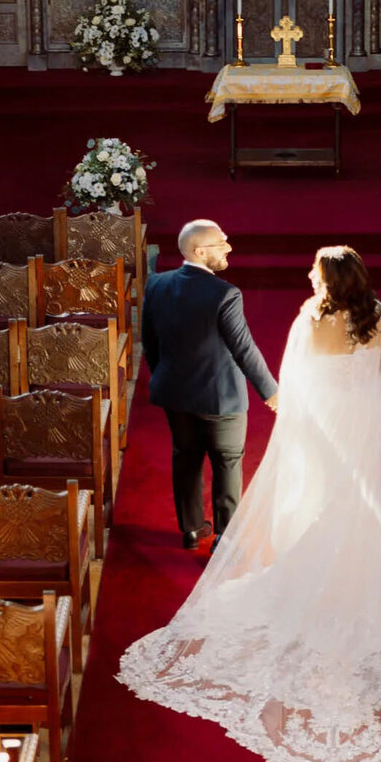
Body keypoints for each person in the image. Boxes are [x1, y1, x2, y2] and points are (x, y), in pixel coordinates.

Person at [120, 246, 381, 762]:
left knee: (323, 510)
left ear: (328, 281)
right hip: (367, 430)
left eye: (313, 270)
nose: (307, 274)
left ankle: (315, 583)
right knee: (368, 516)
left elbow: (296, 387)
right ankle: (368, 588)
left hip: (327, 432)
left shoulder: (310, 318)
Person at [139, 220, 278, 551]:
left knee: (185, 457)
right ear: (200, 252)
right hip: (222, 400)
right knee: (227, 462)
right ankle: (224, 538)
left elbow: (149, 342)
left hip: (174, 394)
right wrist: (271, 392)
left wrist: (166, 377)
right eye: (221, 243)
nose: (229, 248)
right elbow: (243, 348)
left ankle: (190, 530)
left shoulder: (156, 285)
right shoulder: (225, 294)